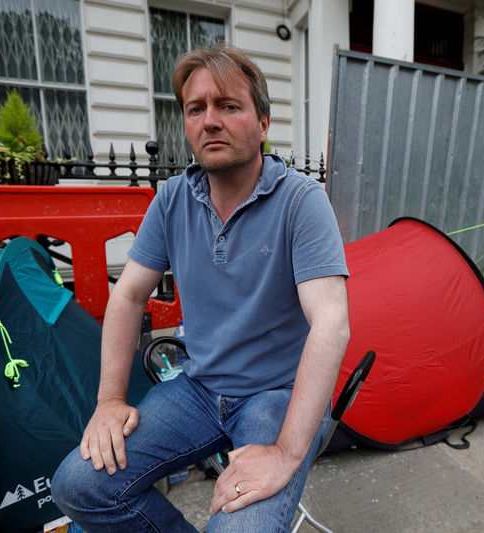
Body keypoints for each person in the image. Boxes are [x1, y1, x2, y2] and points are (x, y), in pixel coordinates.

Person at [52, 42, 350, 532]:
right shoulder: (171, 199)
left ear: (263, 123)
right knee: (78, 485)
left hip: (276, 396)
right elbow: (127, 295)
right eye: (196, 109)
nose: (210, 120)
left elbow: (332, 323)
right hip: (197, 387)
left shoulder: (301, 201)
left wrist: (284, 452)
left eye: (228, 105)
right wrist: (109, 400)